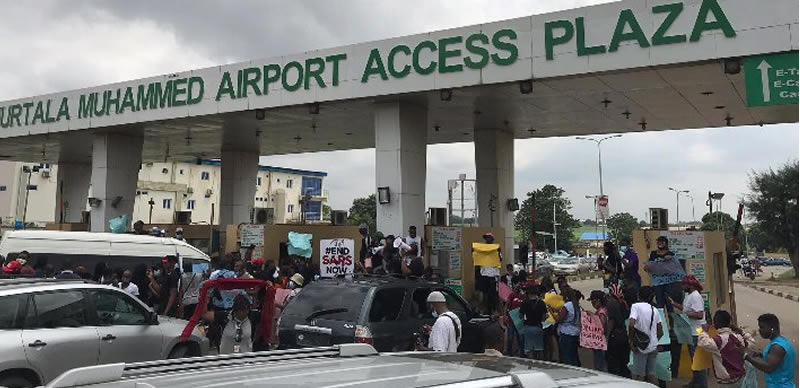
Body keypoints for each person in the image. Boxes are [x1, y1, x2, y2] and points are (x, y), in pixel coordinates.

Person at [668, 274, 707, 388]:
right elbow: (687, 309)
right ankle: (696, 383)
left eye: (684, 284)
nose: (682, 286)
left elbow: (699, 314)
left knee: (698, 361)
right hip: (692, 331)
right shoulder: (689, 295)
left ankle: (702, 384)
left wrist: (684, 314)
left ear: (690, 285)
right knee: (695, 360)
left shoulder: (695, 296)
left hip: (697, 332)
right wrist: (674, 304)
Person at [698, 310, 754, 388]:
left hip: (726, 381)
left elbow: (703, 343)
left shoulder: (719, 340)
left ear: (715, 324)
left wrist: (703, 332)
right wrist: (741, 331)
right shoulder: (738, 337)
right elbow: (751, 342)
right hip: (740, 378)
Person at [743, 313, 796, 388]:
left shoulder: (777, 347)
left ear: (772, 328)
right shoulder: (783, 341)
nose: (759, 330)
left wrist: (747, 357)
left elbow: (769, 368)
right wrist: (761, 355)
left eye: (762, 327)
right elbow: (778, 360)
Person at [628, 286, 663, 384]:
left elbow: (631, 324)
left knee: (639, 376)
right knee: (651, 375)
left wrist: (631, 341)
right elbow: (660, 330)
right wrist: (653, 341)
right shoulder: (654, 309)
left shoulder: (635, 306)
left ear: (639, 296)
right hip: (653, 346)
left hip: (640, 347)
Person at [644, 236, 685, 310]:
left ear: (666, 243)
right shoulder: (653, 254)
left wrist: (669, 260)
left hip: (669, 283)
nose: (660, 244)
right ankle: (661, 318)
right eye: (658, 242)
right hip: (657, 283)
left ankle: (670, 318)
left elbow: (676, 268)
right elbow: (650, 264)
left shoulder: (671, 254)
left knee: (669, 301)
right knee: (659, 301)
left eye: (662, 242)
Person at [606, 284, 631, 378]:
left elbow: (611, 321)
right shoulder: (623, 303)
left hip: (615, 336)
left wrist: (607, 337)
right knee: (624, 362)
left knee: (614, 364)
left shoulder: (611, 303)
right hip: (623, 334)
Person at [553, 287, 582, 366]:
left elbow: (559, 319)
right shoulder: (576, 305)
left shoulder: (567, 306)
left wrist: (552, 313)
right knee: (574, 355)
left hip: (567, 333)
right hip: (575, 331)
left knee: (568, 356)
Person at [519, 285, 547, 359]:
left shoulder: (524, 303)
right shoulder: (541, 303)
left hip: (528, 327)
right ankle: (539, 365)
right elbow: (544, 318)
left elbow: (521, 316)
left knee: (529, 350)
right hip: (538, 327)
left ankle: (531, 366)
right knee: (539, 349)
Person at [540, 277, 563, 362]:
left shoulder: (551, 294)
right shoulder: (551, 293)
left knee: (550, 341)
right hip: (549, 320)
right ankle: (552, 357)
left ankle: (552, 357)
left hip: (551, 320)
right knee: (551, 341)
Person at [587, 290, 609, 372]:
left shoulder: (601, 312)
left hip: (600, 343)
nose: (592, 303)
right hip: (599, 342)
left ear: (598, 300)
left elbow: (602, 326)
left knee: (600, 365)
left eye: (593, 301)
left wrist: (592, 316)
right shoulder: (602, 310)